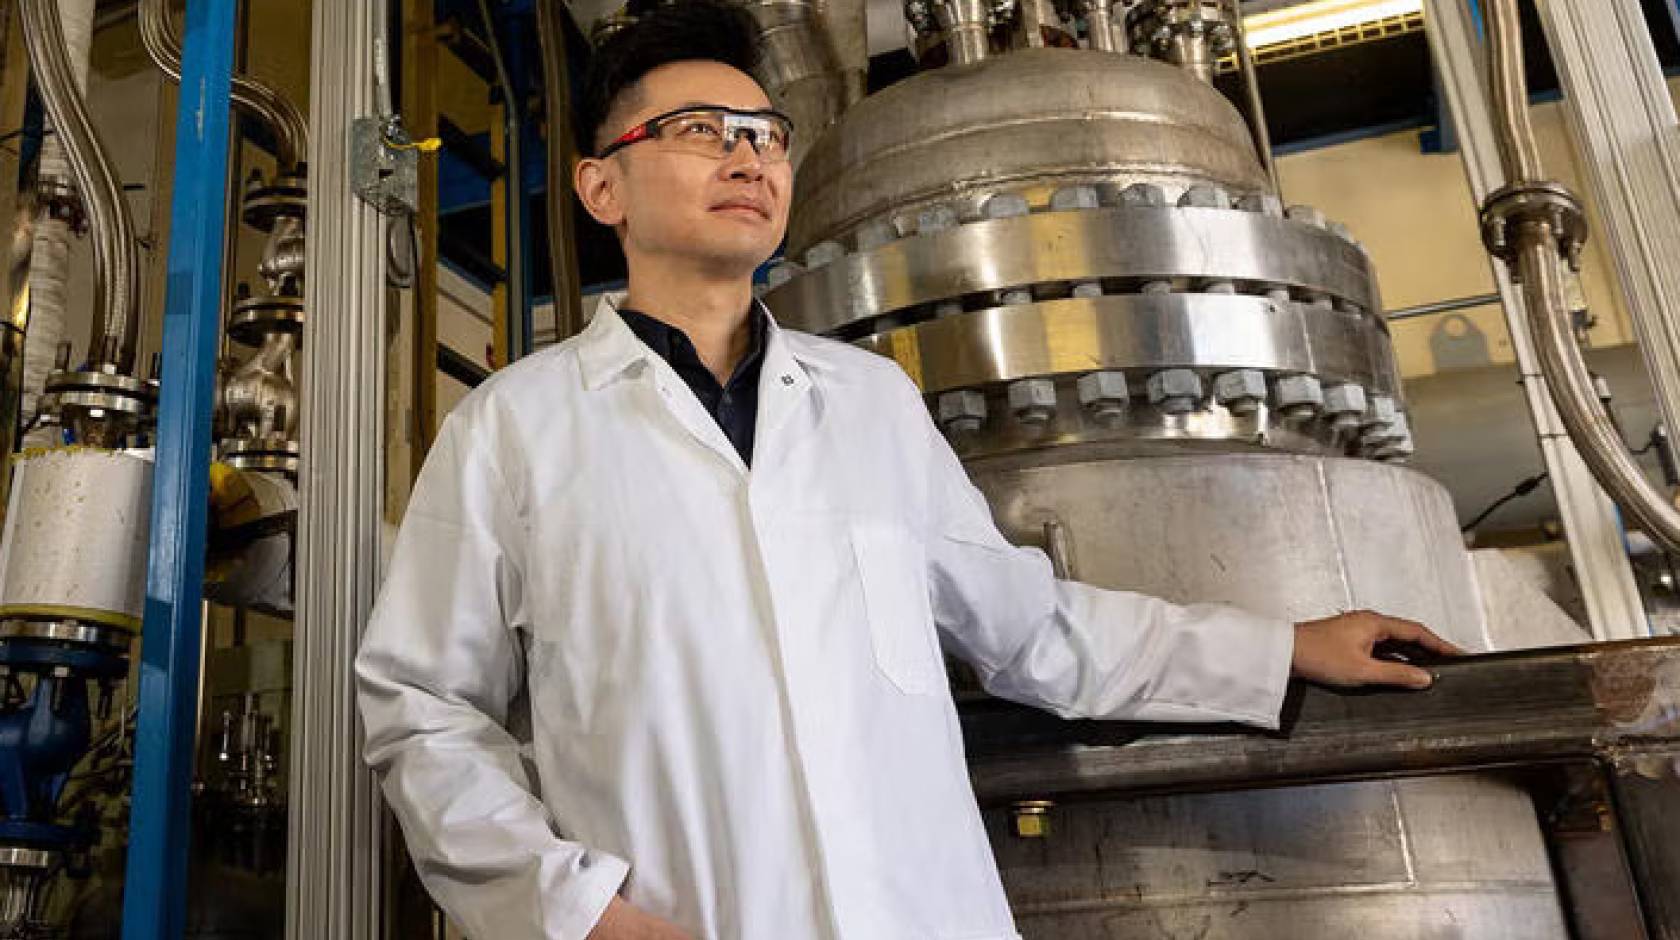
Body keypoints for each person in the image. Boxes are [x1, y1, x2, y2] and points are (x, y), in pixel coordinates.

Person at [354, 4, 1462, 938]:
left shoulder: (870, 402)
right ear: (603, 189)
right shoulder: (518, 428)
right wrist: (574, 909)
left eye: (765, 133)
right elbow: (420, 706)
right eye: (700, 130)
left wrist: (1281, 648)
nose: (748, 155)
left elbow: (1035, 631)